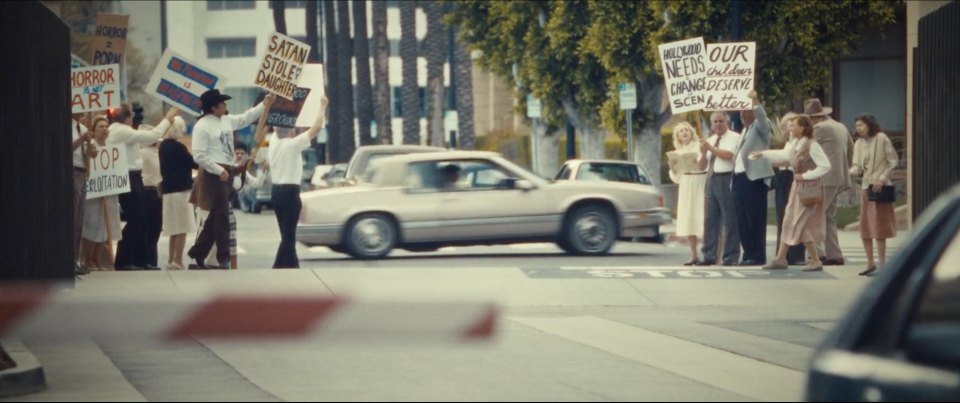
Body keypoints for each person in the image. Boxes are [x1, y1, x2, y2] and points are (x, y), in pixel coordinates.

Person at [188, 89, 273, 269]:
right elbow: (198, 155)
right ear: (213, 107)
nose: (226, 105)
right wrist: (218, 169)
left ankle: (197, 253)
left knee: (215, 218)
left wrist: (264, 104)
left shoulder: (226, 120)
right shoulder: (202, 126)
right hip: (213, 174)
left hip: (226, 171)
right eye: (222, 103)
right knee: (221, 217)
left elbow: (245, 118)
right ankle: (223, 257)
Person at [751, 115, 832, 272]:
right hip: (798, 187)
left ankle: (814, 260)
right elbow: (784, 155)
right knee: (789, 220)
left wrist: (805, 175)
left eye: (793, 125)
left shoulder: (811, 145)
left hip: (808, 188)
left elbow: (825, 166)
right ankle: (781, 259)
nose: (790, 128)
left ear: (802, 128)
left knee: (799, 222)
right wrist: (764, 154)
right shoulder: (795, 143)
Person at [108, 104, 180, 270]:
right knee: (137, 217)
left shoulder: (121, 132)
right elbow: (152, 136)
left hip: (133, 177)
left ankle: (138, 259)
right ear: (128, 117)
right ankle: (124, 259)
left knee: (141, 219)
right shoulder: (120, 130)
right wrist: (168, 118)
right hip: (128, 177)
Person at [267, 96, 329, 269]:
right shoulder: (292, 145)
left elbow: (282, 127)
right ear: (291, 130)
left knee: (286, 233)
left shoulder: (274, 142)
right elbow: (315, 129)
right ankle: (279, 267)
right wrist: (322, 107)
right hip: (289, 192)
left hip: (276, 192)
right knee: (289, 236)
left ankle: (292, 265)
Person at [806, 98, 854, 266]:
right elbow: (851, 148)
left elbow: (806, 150)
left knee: (814, 214)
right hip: (839, 176)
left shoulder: (819, 128)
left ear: (813, 117)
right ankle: (834, 254)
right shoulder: (840, 126)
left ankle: (817, 254)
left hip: (825, 177)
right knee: (827, 216)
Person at [849, 114, 899, 276]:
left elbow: (893, 161)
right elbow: (857, 167)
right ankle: (870, 263)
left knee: (879, 227)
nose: (858, 129)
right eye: (857, 126)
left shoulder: (882, 138)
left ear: (870, 125)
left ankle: (882, 264)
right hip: (866, 187)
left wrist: (883, 178)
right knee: (865, 227)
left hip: (880, 188)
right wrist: (847, 173)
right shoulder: (858, 144)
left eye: (861, 125)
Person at [732, 90, 775, 265]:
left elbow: (763, 120)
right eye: (741, 112)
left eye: (746, 110)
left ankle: (758, 254)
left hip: (754, 179)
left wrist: (755, 102)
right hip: (739, 179)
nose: (742, 114)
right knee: (742, 218)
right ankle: (748, 253)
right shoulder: (744, 131)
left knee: (755, 217)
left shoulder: (760, 126)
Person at [697, 111, 741, 266]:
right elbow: (702, 166)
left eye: (721, 121)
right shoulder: (710, 140)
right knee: (710, 219)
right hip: (711, 177)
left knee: (730, 219)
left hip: (726, 177)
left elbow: (729, 155)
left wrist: (711, 148)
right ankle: (708, 255)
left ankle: (730, 256)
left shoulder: (734, 137)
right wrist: (703, 153)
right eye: (715, 121)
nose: (718, 124)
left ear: (726, 122)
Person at [81, 116, 123, 271]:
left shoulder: (112, 147)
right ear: (93, 130)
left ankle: (98, 260)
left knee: (104, 226)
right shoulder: (89, 147)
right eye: (100, 126)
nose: (105, 129)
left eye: (106, 126)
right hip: (93, 192)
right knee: (91, 225)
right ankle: (88, 260)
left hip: (108, 192)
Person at [159, 116, 197, 271]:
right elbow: (193, 163)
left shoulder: (162, 147)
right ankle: (178, 260)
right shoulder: (179, 147)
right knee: (182, 227)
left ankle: (170, 259)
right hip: (181, 191)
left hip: (167, 191)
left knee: (173, 227)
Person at [667, 121, 706, 265]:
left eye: (687, 130)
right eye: (681, 131)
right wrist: (673, 168)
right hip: (686, 184)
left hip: (700, 181)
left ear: (691, 132)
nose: (684, 133)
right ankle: (693, 255)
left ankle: (708, 252)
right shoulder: (677, 152)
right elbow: (676, 178)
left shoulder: (699, 147)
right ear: (678, 136)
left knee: (702, 216)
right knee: (689, 218)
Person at [773, 112, 806, 265]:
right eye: (785, 125)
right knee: (783, 216)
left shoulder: (800, 142)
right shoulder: (786, 142)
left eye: (790, 124)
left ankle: (797, 255)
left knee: (794, 216)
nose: (786, 127)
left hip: (793, 177)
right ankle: (782, 254)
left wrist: (769, 159)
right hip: (783, 177)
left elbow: (790, 159)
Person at [71, 113, 96, 274]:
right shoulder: (68, 126)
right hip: (71, 170)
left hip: (82, 172)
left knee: (80, 217)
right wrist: (82, 139)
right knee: (72, 215)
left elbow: (91, 154)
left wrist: (92, 148)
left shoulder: (83, 127)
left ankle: (75, 259)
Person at [139, 128, 163, 270]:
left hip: (149, 190)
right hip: (152, 190)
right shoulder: (152, 154)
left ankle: (149, 260)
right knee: (153, 227)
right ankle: (149, 260)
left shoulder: (143, 152)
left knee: (150, 227)